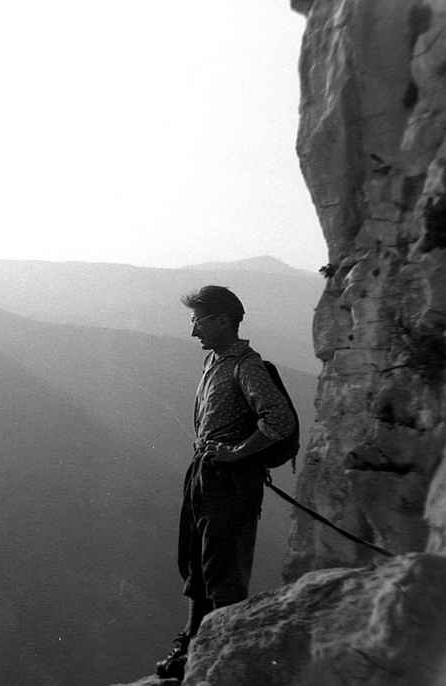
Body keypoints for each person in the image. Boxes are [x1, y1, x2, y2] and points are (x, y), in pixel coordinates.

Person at [155, 285, 296, 680]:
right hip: (205, 477)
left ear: (222, 320)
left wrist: (237, 453)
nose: (193, 331)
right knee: (198, 564)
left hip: (231, 483)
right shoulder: (215, 362)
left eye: (198, 321)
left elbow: (279, 420)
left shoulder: (245, 366)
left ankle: (221, 658)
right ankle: (193, 645)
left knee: (223, 571)